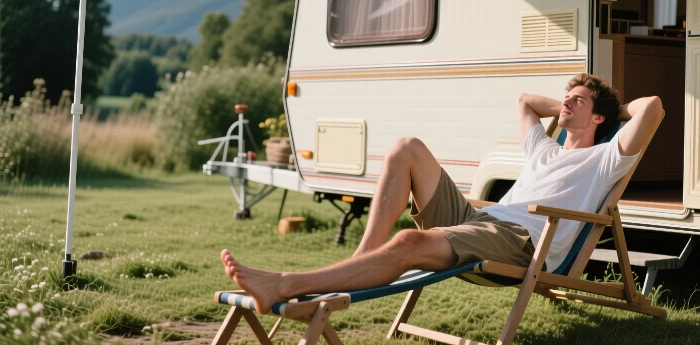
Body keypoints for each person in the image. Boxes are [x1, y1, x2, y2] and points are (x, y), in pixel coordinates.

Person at [221, 73, 663, 314]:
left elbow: (653, 107)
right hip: (483, 219)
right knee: (406, 148)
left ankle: (285, 285)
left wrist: (608, 109)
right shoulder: (543, 147)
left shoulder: (604, 160)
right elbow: (525, 101)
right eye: (566, 98)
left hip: (522, 241)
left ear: (601, 120)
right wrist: (573, 104)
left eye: (578, 101)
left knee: (410, 242)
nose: (565, 104)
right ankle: (356, 264)